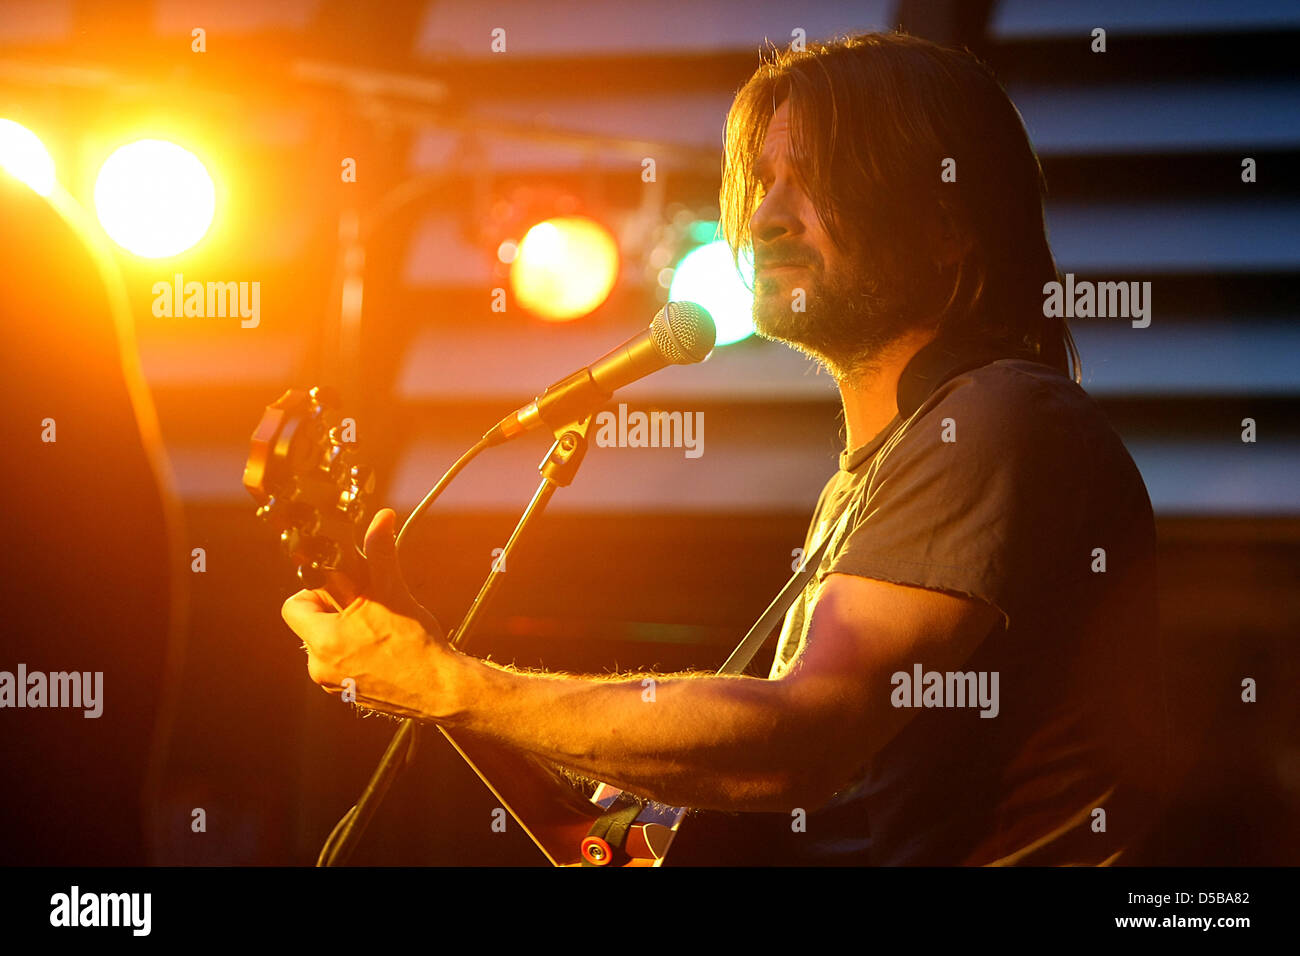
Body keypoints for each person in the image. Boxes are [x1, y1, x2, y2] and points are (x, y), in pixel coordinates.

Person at [282, 32, 1170, 865]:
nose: (768, 216)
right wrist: (431, 664)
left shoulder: (997, 414)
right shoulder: (880, 477)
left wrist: (453, 683)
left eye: (817, 177)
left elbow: (797, 741)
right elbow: (595, 837)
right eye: (762, 182)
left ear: (949, 226)